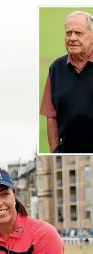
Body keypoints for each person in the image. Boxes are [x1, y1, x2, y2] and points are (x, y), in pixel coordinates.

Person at [40, 11, 93, 153]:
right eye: (68, 33)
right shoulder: (55, 68)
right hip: (68, 153)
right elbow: (51, 115)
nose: (72, 38)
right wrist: (54, 151)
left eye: (78, 33)